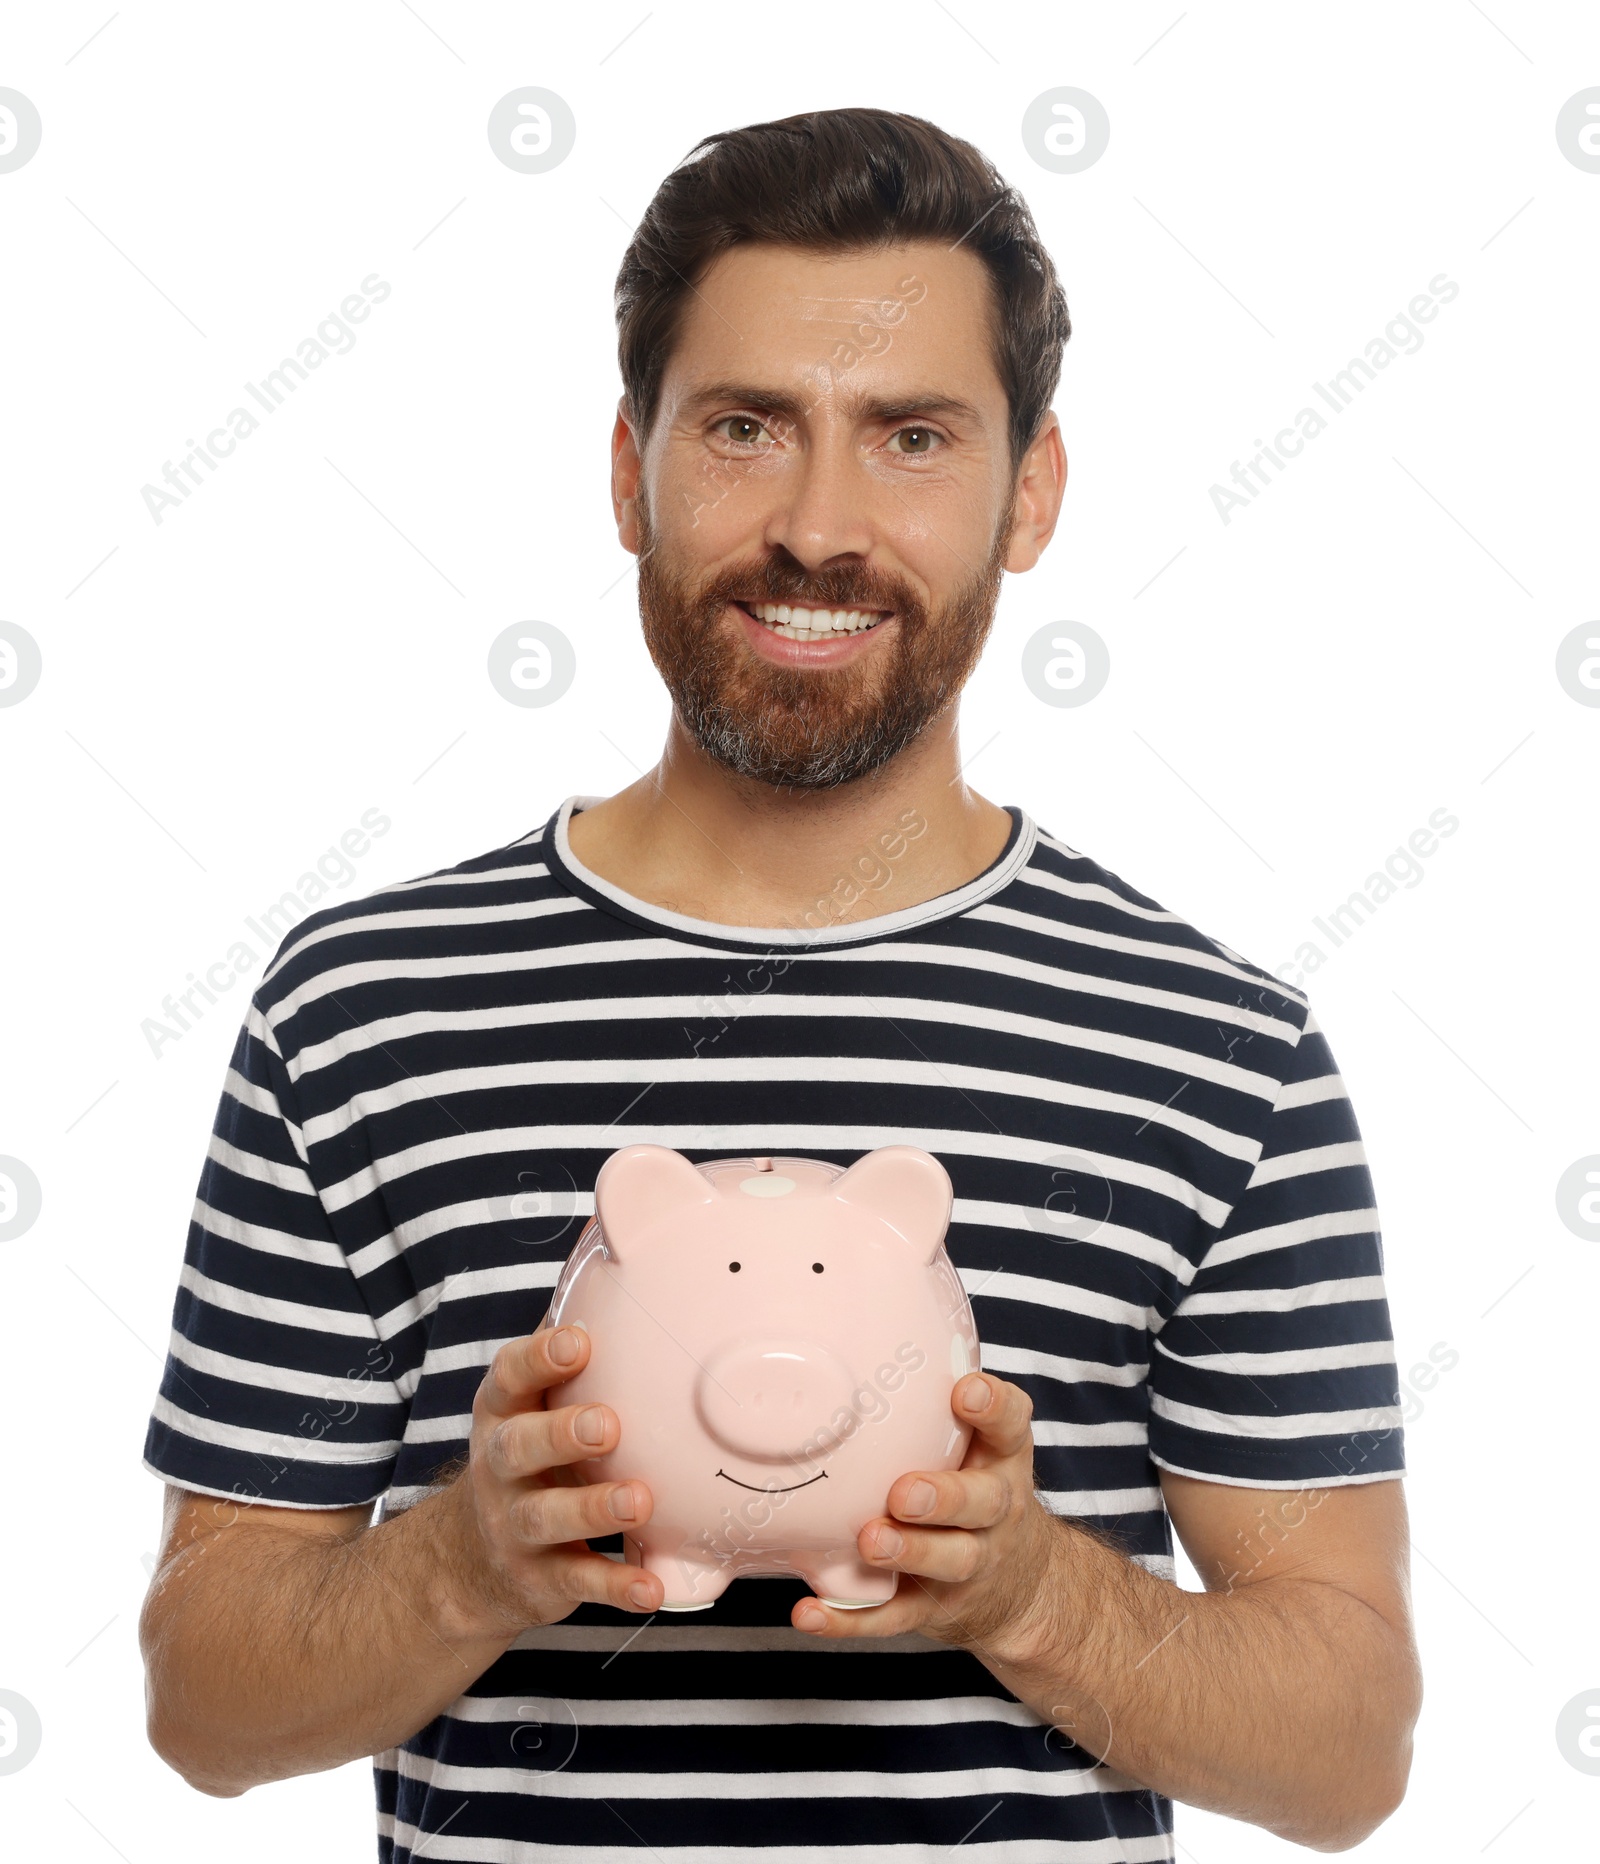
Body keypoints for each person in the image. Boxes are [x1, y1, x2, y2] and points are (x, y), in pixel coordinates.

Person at [139, 108, 1421, 1860]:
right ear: (628, 469)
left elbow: (1349, 1752)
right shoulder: (368, 1012)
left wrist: (1031, 1586)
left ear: (1030, 491)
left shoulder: (1217, 1051)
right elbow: (201, 1705)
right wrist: (461, 1563)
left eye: (910, 437)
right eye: (746, 427)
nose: (819, 528)